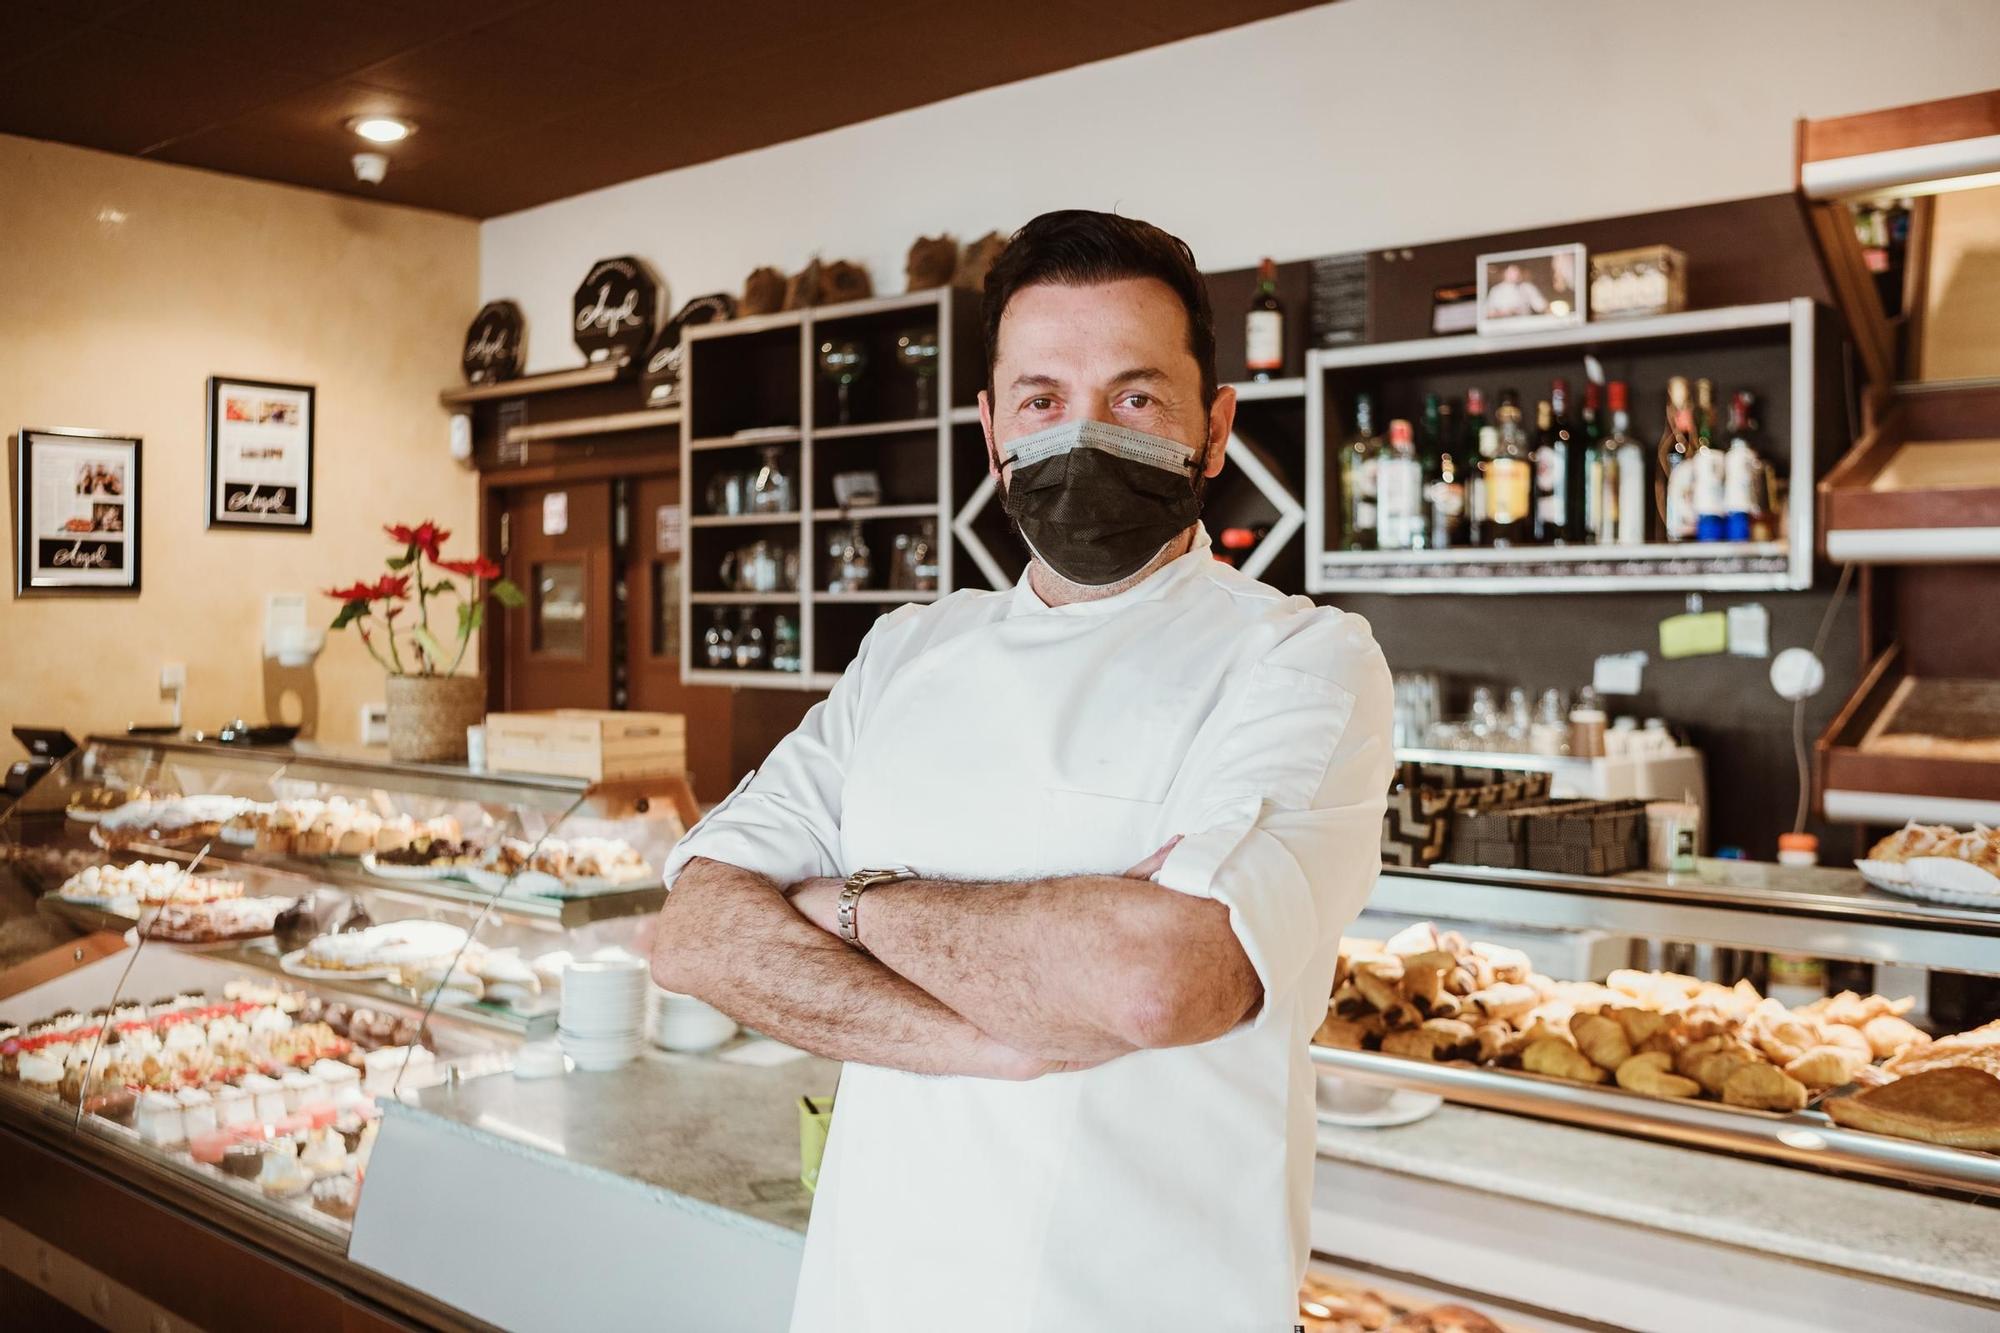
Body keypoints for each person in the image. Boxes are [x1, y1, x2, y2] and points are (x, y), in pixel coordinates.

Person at [653, 209, 1392, 1333]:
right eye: (1042, 400)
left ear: (1214, 428)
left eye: (1135, 398)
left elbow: (1160, 980)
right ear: (991, 427)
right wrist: (1000, 1034)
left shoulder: (1298, 657)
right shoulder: (907, 650)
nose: (1082, 434)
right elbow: (695, 935)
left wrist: (842, 903)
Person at [1484, 261, 1549, 318]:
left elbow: (1540, 306)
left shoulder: (1527, 287)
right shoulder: (1496, 290)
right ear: (1505, 273)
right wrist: (1505, 313)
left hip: (1524, 323)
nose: (1516, 274)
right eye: (1512, 272)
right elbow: (1488, 312)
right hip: (1502, 326)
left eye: (1517, 271)